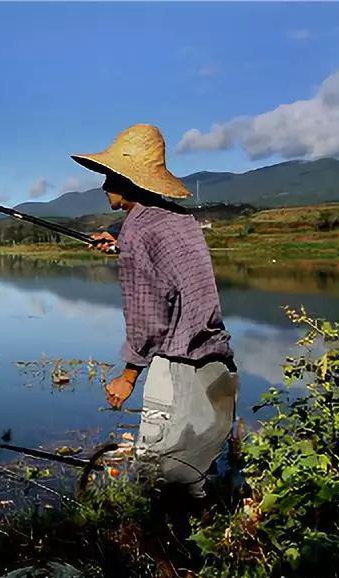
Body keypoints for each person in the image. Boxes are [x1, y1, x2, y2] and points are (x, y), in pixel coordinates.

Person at [71, 124, 238, 499]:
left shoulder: (141, 234)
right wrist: (119, 236)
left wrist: (128, 377)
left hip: (177, 368)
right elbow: (161, 253)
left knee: (162, 484)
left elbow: (149, 318)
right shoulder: (180, 221)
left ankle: (160, 554)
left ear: (131, 180)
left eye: (111, 176)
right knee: (196, 479)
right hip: (216, 365)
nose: (104, 186)